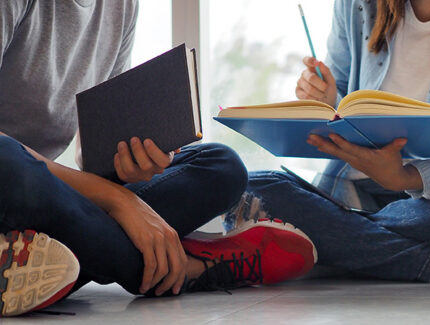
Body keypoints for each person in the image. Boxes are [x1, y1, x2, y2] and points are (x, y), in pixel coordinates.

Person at [0, 0, 315, 316]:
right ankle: (185, 268)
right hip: (13, 181)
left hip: (46, 201)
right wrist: (119, 200)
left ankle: (30, 261)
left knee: (220, 165)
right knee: (9, 161)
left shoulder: (119, 6)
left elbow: (91, 151)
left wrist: (126, 167)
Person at [223, 0, 430, 285]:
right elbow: (338, 107)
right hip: (350, 190)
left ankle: (336, 242)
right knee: (248, 189)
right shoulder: (356, 5)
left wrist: (405, 177)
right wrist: (325, 99)